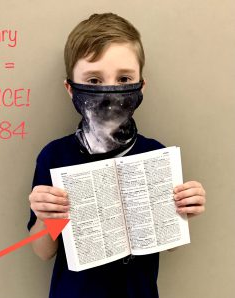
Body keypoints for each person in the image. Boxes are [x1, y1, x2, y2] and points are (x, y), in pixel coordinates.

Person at [27, 12, 206, 298]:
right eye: (94, 81)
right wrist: (44, 215)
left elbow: (169, 243)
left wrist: (183, 207)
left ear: (140, 87)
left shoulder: (155, 154)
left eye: (124, 78)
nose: (110, 92)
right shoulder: (56, 156)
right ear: (71, 89)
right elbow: (43, 251)